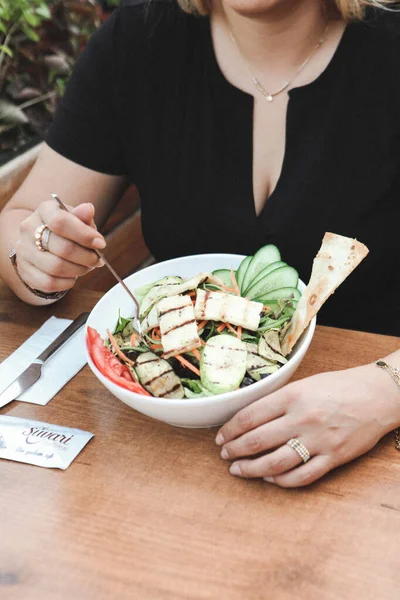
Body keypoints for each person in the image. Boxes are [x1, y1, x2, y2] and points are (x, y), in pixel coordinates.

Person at [0, 0, 399, 487]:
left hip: (371, 462)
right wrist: (37, 258)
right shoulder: (138, 42)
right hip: (162, 457)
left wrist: (384, 391)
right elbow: (20, 224)